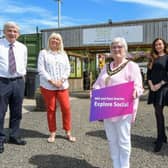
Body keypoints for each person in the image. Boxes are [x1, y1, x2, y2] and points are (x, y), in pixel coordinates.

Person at [92, 37, 143, 168]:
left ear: (125, 49)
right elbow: (98, 83)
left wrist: (136, 91)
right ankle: (116, 165)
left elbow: (139, 86)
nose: (116, 49)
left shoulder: (132, 66)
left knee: (124, 141)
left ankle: (124, 166)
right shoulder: (106, 67)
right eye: (113, 47)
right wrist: (94, 91)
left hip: (123, 109)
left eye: (119, 46)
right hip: (108, 108)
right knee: (112, 140)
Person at [37, 32, 76, 143]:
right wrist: (52, 81)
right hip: (48, 86)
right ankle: (52, 132)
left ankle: (68, 131)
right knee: (51, 109)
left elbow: (68, 69)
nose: (55, 40)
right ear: (49, 40)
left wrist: (61, 80)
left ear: (60, 42)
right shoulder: (43, 53)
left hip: (62, 86)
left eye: (57, 39)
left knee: (66, 108)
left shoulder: (63, 54)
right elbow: (41, 69)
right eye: (53, 38)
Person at [0, 21, 27, 153]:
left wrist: (22, 79)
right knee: (0, 112)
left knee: (17, 112)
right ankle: (0, 139)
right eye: (10, 30)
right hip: (2, 82)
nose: (12, 33)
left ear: (19, 34)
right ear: (4, 32)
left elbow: (24, 64)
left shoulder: (23, 47)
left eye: (15, 31)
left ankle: (14, 136)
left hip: (18, 82)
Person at [147, 38, 168, 152]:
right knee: (158, 113)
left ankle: (160, 138)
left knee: (159, 112)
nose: (158, 46)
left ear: (164, 45)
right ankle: (162, 137)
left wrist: (159, 85)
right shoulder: (152, 58)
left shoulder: (167, 57)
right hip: (153, 88)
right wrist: (151, 85)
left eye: (160, 44)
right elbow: (148, 74)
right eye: (156, 44)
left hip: (164, 88)